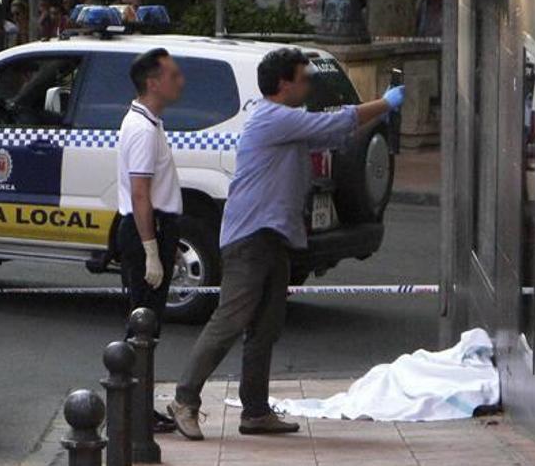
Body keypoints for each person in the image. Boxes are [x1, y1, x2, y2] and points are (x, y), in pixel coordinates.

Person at [168, 48, 404, 440]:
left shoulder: (287, 123)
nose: (309, 84)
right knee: (230, 320)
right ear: (283, 85)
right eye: (303, 78)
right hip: (251, 236)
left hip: (274, 235)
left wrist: (373, 115)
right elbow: (335, 123)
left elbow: (337, 132)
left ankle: (255, 412)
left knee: (266, 325)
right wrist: (383, 104)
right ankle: (184, 400)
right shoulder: (274, 118)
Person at [116, 49, 184, 433]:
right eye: (173, 75)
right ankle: (131, 410)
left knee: (147, 326)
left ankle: (137, 405)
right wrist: (151, 251)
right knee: (142, 325)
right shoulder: (142, 128)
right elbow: (141, 194)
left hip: (155, 227)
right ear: (153, 82)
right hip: (146, 228)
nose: (180, 81)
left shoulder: (149, 122)